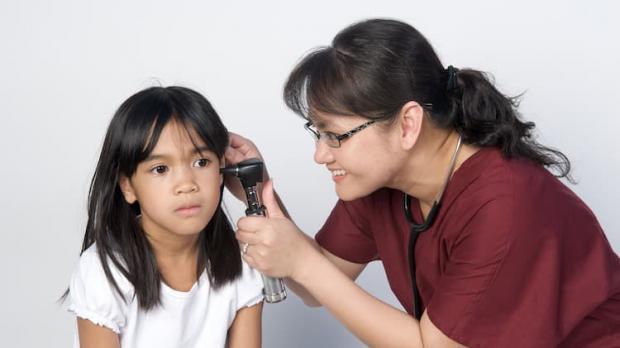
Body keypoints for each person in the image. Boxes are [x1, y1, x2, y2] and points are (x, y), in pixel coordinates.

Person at [228, 19, 620, 347]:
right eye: (317, 133)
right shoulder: (377, 183)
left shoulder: (505, 201)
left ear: (408, 124)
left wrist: (303, 263)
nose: (321, 155)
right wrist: (262, 192)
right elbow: (316, 286)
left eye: (336, 135)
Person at [63, 86, 263, 347]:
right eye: (160, 169)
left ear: (222, 170)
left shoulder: (242, 262)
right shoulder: (104, 271)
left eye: (201, 162)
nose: (186, 184)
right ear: (127, 186)